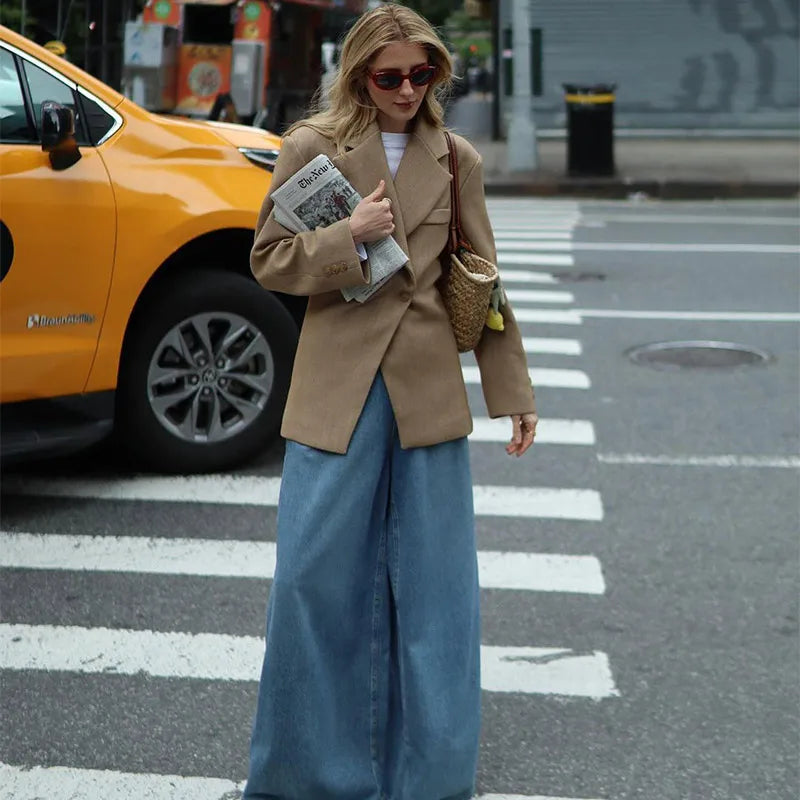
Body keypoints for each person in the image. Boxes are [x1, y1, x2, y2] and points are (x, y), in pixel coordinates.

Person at [243, 4, 537, 799]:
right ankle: (303, 778)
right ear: (359, 76)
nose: (408, 90)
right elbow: (269, 259)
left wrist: (511, 389)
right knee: (311, 582)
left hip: (425, 394)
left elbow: (484, 281)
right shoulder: (313, 147)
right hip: (336, 389)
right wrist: (352, 233)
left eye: (422, 74)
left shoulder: (455, 159)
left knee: (437, 595)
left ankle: (430, 782)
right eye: (390, 76)